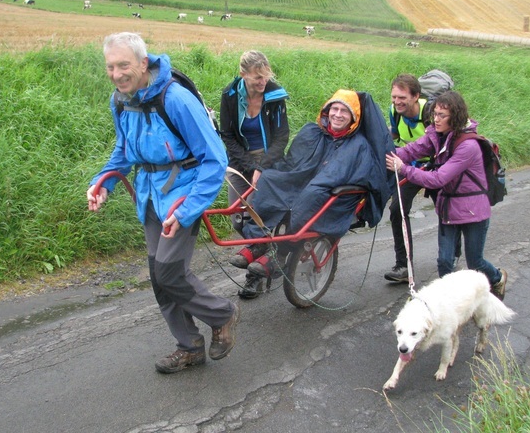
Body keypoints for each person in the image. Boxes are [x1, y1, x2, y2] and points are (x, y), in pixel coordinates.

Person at [86, 32, 240, 374]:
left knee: (169, 270)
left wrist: (187, 209)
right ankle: (189, 346)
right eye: (111, 67)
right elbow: (124, 151)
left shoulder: (177, 100)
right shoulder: (121, 100)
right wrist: (103, 183)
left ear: (143, 63)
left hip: (183, 194)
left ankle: (222, 314)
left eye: (123, 65)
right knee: (160, 276)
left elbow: (215, 160)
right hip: (150, 196)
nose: (116, 73)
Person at [230, 89, 392, 298]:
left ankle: (280, 254)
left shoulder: (358, 145)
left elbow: (354, 176)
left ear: (354, 118)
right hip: (303, 182)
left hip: (329, 194)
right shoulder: (312, 132)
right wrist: (269, 169)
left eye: (345, 111)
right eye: (334, 108)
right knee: (270, 179)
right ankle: (257, 244)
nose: (338, 114)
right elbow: (292, 162)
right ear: (327, 110)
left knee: (311, 194)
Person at [385, 90, 508, 300]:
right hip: (449, 208)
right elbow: (412, 150)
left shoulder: (468, 146)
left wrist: (403, 169)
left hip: (474, 211)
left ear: (456, 117)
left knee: (475, 262)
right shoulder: (437, 136)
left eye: (442, 115)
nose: (436, 119)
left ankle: (497, 278)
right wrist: (385, 154)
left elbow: (438, 179)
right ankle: (450, 303)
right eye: (435, 114)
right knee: (444, 261)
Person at [384, 73, 460, 283]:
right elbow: (397, 137)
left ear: (416, 96)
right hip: (410, 167)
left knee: (446, 211)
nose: (397, 102)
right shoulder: (394, 111)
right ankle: (403, 266)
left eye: (402, 98)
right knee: (397, 210)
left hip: (436, 167)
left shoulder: (431, 112)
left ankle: (453, 254)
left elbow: (444, 142)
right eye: (394, 97)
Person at [220, 51, 290, 243]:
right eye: (258, 77)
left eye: (266, 76)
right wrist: (250, 167)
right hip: (239, 160)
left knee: (255, 217)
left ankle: (265, 257)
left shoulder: (275, 96)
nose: (263, 81)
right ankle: (263, 251)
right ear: (243, 74)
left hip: (268, 160)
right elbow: (227, 135)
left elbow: (282, 137)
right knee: (237, 219)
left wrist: (261, 168)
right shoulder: (230, 95)